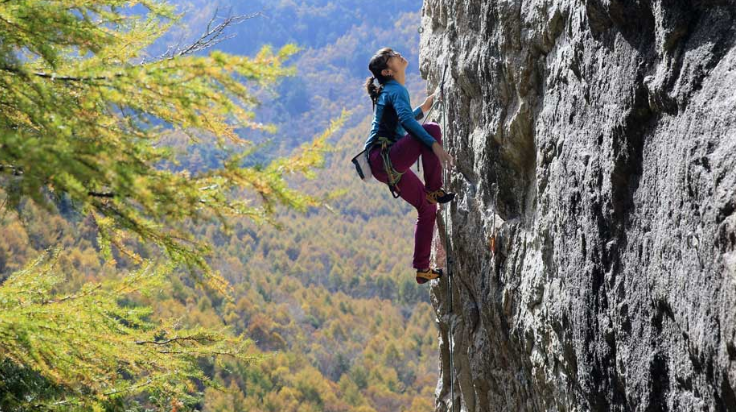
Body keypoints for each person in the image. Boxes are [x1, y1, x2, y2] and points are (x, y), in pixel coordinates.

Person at [363, 47, 455, 285]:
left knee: (427, 209)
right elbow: (404, 123)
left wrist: (423, 108)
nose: (397, 54)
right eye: (391, 55)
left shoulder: (388, 90)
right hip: (387, 158)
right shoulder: (395, 90)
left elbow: (399, 124)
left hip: (381, 163)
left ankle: (423, 269)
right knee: (432, 130)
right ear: (387, 70)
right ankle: (435, 189)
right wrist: (434, 146)